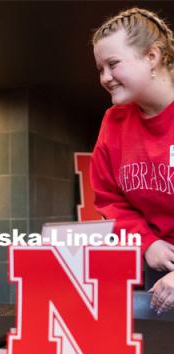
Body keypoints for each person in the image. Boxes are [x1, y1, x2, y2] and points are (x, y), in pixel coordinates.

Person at [91, 7, 174, 315]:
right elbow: (110, 199)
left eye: (113, 64)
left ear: (152, 57)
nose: (105, 78)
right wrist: (147, 242)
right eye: (100, 69)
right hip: (155, 263)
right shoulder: (114, 121)